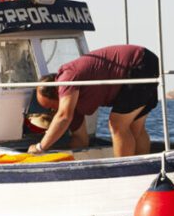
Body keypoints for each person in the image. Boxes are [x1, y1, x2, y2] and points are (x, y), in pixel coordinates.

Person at [28, 44, 160, 157]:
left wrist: (40, 147)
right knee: (135, 127)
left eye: (51, 108)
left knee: (118, 125)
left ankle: (123, 173)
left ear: (59, 94)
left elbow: (63, 117)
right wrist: (57, 154)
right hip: (145, 61)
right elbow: (81, 140)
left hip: (138, 63)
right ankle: (143, 170)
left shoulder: (66, 78)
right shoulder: (75, 104)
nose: (53, 112)